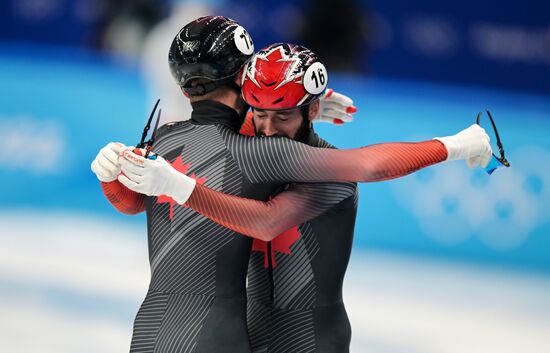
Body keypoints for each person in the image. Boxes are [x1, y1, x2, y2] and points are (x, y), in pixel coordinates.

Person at [91, 16, 492, 353]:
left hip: (308, 341)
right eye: (260, 113)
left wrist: (456, 145)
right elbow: (192, 164)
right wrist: (115, 176)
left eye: (282, 115)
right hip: (243, 334)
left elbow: (356, 171)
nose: (267, 129)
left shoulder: (323, 176)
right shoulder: (254, 148)